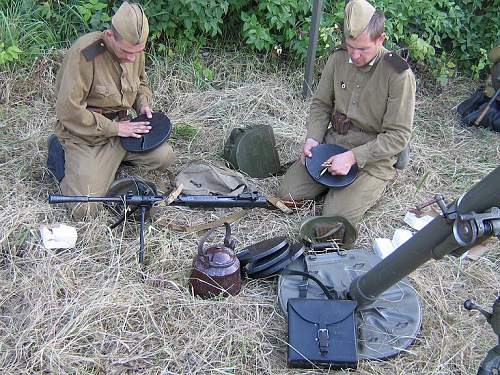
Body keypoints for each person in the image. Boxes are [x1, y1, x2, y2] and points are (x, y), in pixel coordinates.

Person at [278, 0, 416, 228]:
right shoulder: (338, 58)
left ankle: (364, 187)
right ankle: (331, 187)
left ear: (381, 39)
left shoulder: (398, 75)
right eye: (350, 46)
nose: (355, 55)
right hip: (334, 143)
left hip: (372, 158)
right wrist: (313, 138)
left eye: (363, 49)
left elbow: (398, 136)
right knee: (287, 195)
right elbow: (321, 104)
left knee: (331, 221)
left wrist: (352, 157)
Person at [47, 2, 176, 218]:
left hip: (124, 131)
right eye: (126, 52)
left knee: (165, 157)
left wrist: (143, 103)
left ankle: (108, 165)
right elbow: (69, 110)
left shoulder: (133, 48)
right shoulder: (85, 54)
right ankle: (60, 155)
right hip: (86, 135)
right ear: (109, 35)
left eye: (138, 52)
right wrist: (115, 129)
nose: (132, 58)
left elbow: (141, 83)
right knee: (84, 209)